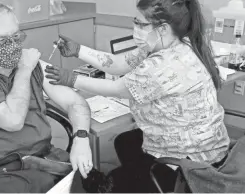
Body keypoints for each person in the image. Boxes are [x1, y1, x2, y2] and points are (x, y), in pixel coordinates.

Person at [45, 0, 231, 192]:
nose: (135, 28)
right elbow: (118, 63)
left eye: (140, 24)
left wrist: (71, 79)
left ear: (163, 28)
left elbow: (116, 88)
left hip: (191, 164)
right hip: (211, 148)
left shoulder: (163, 65)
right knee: (124, 142)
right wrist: (79, 50)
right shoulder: (179, 43)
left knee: (113, 180)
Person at [0, 1, 93, 193]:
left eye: (16, 36)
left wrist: (81, 138)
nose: (14, 46)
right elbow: (13, 120)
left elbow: (74, 102)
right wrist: (24, 69)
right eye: (3, 41)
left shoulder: (30, 63)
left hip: (42, 161)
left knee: (95, 184)